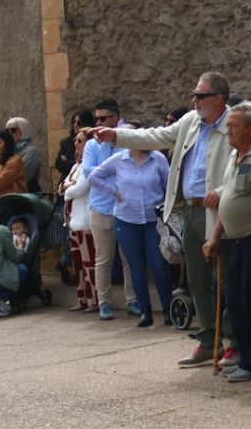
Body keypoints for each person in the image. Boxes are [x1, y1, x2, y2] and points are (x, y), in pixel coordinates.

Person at [95, 74, 233, 363]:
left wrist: (222, 191)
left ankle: (232, 340)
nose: (194, 100)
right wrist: (117, 137)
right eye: (194, 94)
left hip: (220, 209)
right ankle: (209, 338)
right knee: (196, 278)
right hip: (191, 209)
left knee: (226, 278)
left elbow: (242, 163)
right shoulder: (190, 122)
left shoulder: (234, 123)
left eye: (200, 95)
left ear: (219, 99)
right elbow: (156, 136)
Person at [203, 102, 251, 384]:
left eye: (234, 125)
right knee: (236, 302)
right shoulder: (235, 154)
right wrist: (214, 238)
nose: (228, 130)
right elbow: (229, 198)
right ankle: (245, 358)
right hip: (234, 242)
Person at [87, 139, 172, 326]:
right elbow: (93, 176)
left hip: (152, 221)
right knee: (136, 266)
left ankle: (168, 309)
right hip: (126, 220)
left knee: (158, 264)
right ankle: (145, 310)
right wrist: (112, 190)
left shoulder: (158, 159)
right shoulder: (118, 160)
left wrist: (167, 207)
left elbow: (169, 185)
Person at [81, 99, 129, 318]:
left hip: (125, 207)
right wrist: (111, 185)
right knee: (104, 258)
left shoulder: (126, 139)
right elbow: (89, 173)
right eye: (96, 119)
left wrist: (106, 174)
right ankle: (104, 303)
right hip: (101, 207)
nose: (98, 124)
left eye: (103, 119)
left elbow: (128, 169)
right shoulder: (92, 144)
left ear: (115, 119)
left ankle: (133, 300)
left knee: (128, 257)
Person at [61, 129, 97, 312]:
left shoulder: (89, 166)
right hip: (73, 221)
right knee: (78, 263)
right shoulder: (76, 166)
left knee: (89, 262)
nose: (76, 143)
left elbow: (80, 189)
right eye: (76, 140)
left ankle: (93, 301)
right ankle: (82, 298)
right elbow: (63, 186)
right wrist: (68, 187)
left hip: (85, 221)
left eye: (81, 141)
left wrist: (68, 188)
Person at [5, 117, 42, 192]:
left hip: (25, 192)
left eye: (13, 130)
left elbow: (25, 175)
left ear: (23, 130)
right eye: (7, 131)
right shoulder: (7, 150)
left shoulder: (31, 151)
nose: (9, 133)